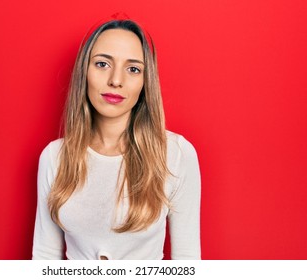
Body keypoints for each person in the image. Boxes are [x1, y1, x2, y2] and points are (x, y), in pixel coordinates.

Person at [32, 19, 201, 260]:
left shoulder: (176, 154)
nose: (116, 80)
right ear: (84, 72)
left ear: (145, 82)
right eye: (102, 64)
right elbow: (45, 255)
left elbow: (187, 259)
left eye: (133, 69)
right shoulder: (54, 157)